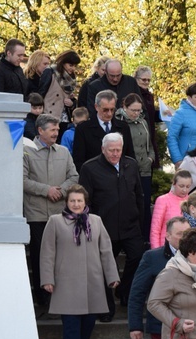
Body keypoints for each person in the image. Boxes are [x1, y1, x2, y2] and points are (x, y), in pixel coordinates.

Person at [41, 184, 119, 339]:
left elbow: (106, 251)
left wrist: (112, 275)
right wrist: (47, 279)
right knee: (71, 325)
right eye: (72, 201)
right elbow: (47, 252)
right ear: (66, 202)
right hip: (66, 281)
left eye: (79, 201)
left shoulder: (96, 221)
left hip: (92, 280)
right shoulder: (55, 222)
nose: (76, 204)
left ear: (85, 203)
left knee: (89, 322)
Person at [78, 133, 144, 322]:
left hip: (130, 225)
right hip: (104, 227)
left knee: (138, 257)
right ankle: (106, 306)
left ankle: (124, 292)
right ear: (103, 149)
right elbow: (85, 201)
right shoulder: (89, 168)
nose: (115, 154)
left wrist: (141, 222)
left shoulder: (130, 164)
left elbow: (138, 194)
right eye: (111, 150)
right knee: (104, 266)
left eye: (118, 150)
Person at [23, 114, 79, 307]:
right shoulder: (26, 152)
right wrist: (46, 190)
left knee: (62, 256)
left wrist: (61, 191)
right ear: (40, 130)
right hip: (36, 214)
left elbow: (74, 176)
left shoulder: (64, 152)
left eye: (57, 130)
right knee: (40, 258)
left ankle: (62, 295)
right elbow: (21, 180)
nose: (57, 133)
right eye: (53, 130)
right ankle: (43, 300)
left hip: (60, 214)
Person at [116, 93, 155, 243]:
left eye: (139, 110)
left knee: (144, 203)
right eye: (133, 110)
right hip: (128, 169)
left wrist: (150, 159)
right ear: (124, 107)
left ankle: (145, 238)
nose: (136, 113)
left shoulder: (143, 122)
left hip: (145, 168)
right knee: (129, 203)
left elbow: (150, 144)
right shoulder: (119, 122)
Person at [71, 89, 134, 169]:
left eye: (112, 109)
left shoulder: (123, 127)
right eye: (105, 110)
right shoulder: (83, 129)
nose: (109, 113)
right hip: (93, 177)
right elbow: (78, 160)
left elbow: (129, 156)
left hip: (119, 177)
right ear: (96, 107)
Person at [38, 50, 80, 135]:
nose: (73, 68)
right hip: (49, 114)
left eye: (75, 66)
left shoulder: (71, 79)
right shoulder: (50, 72)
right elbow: (41, 93)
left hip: (64, 118)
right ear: (63, 63)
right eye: (70, 65)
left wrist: (72, 104)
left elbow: (71, 99)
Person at [134, 65, 167, 170]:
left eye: (148, 80)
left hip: (149, 135)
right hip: (137, 135)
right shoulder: (133, 95)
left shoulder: (149, 96)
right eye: (143, 79)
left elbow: (150, 115)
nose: (146, 82)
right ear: (136, 79)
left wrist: (163, 114)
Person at [150, 170, 192, 249]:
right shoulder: (163, 200)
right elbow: (155, 230)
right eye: (181, 186)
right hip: (166, 247)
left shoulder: (192, 201)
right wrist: (156, 251)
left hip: (186, 248)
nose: (184, 190)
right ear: (174, 184)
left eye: (188, 186)